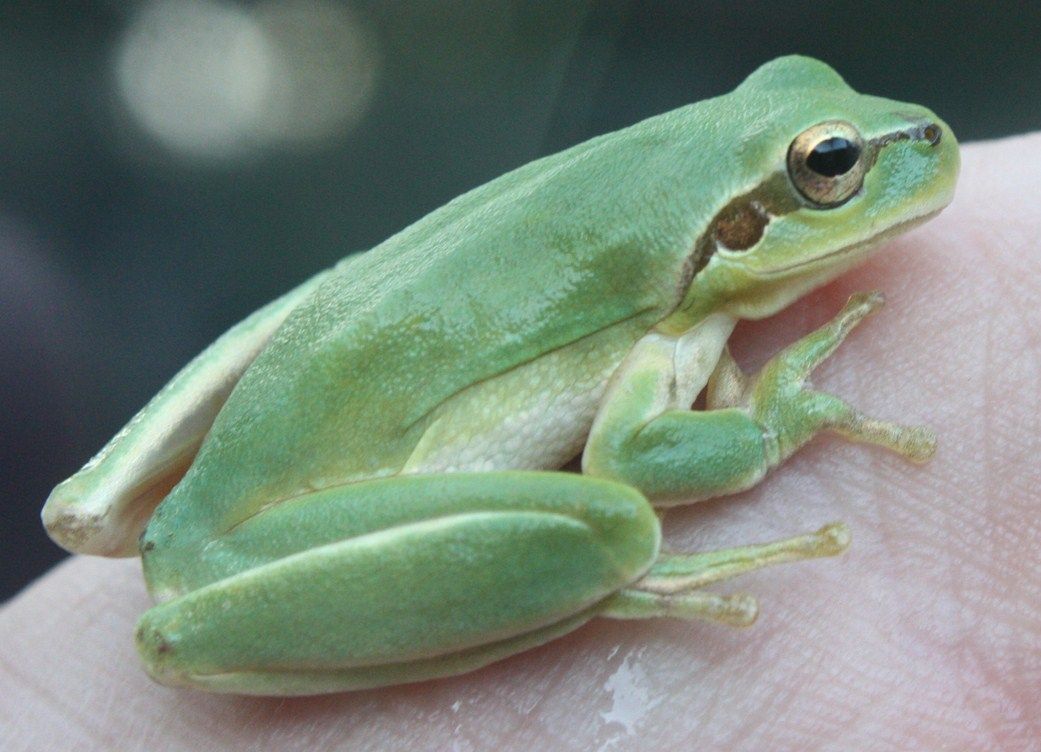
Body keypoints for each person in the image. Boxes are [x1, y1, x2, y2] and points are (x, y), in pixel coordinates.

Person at [3, 134, 1039, 751]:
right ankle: (594, 578)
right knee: (613, 524)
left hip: (319, 374)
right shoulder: (664, 327)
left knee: (358, 279)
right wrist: (767, 422)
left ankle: (127, 492)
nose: (902, 154)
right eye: (829, 169)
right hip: (267, 532)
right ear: (735, 226)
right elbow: (632, 456)